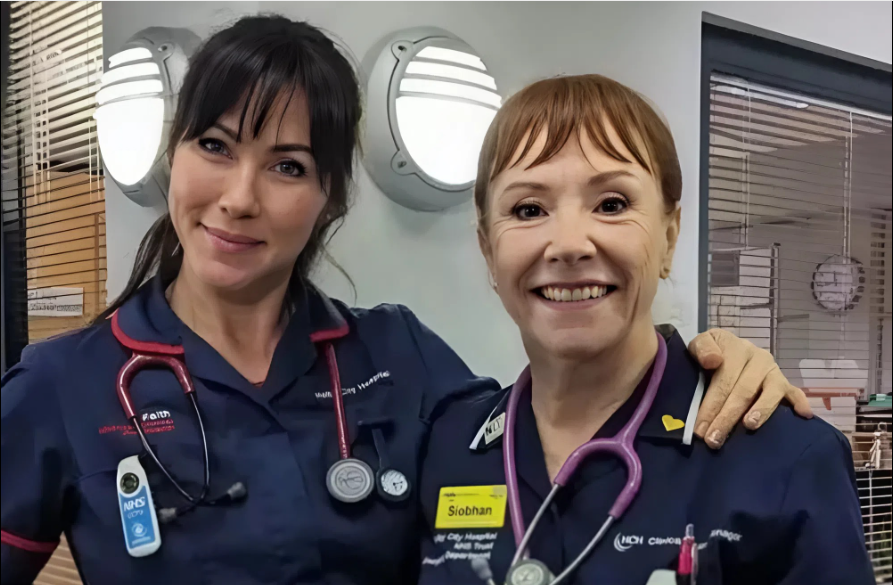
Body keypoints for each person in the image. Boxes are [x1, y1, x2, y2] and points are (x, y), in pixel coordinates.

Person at [2, 16, 808, 585]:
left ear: (328, 196)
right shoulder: (61, 385)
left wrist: (700, 365)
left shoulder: (397, 359)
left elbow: (556, 430)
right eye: (213, 145)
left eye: (287, 165)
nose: (239, 197)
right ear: (172, 155)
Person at [415, 74, 873, 585]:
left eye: (611, 204)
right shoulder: (444, 448)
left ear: (669, 236)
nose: (569, 244)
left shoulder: (786, 458)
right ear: (488, 250)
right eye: (528, 209)